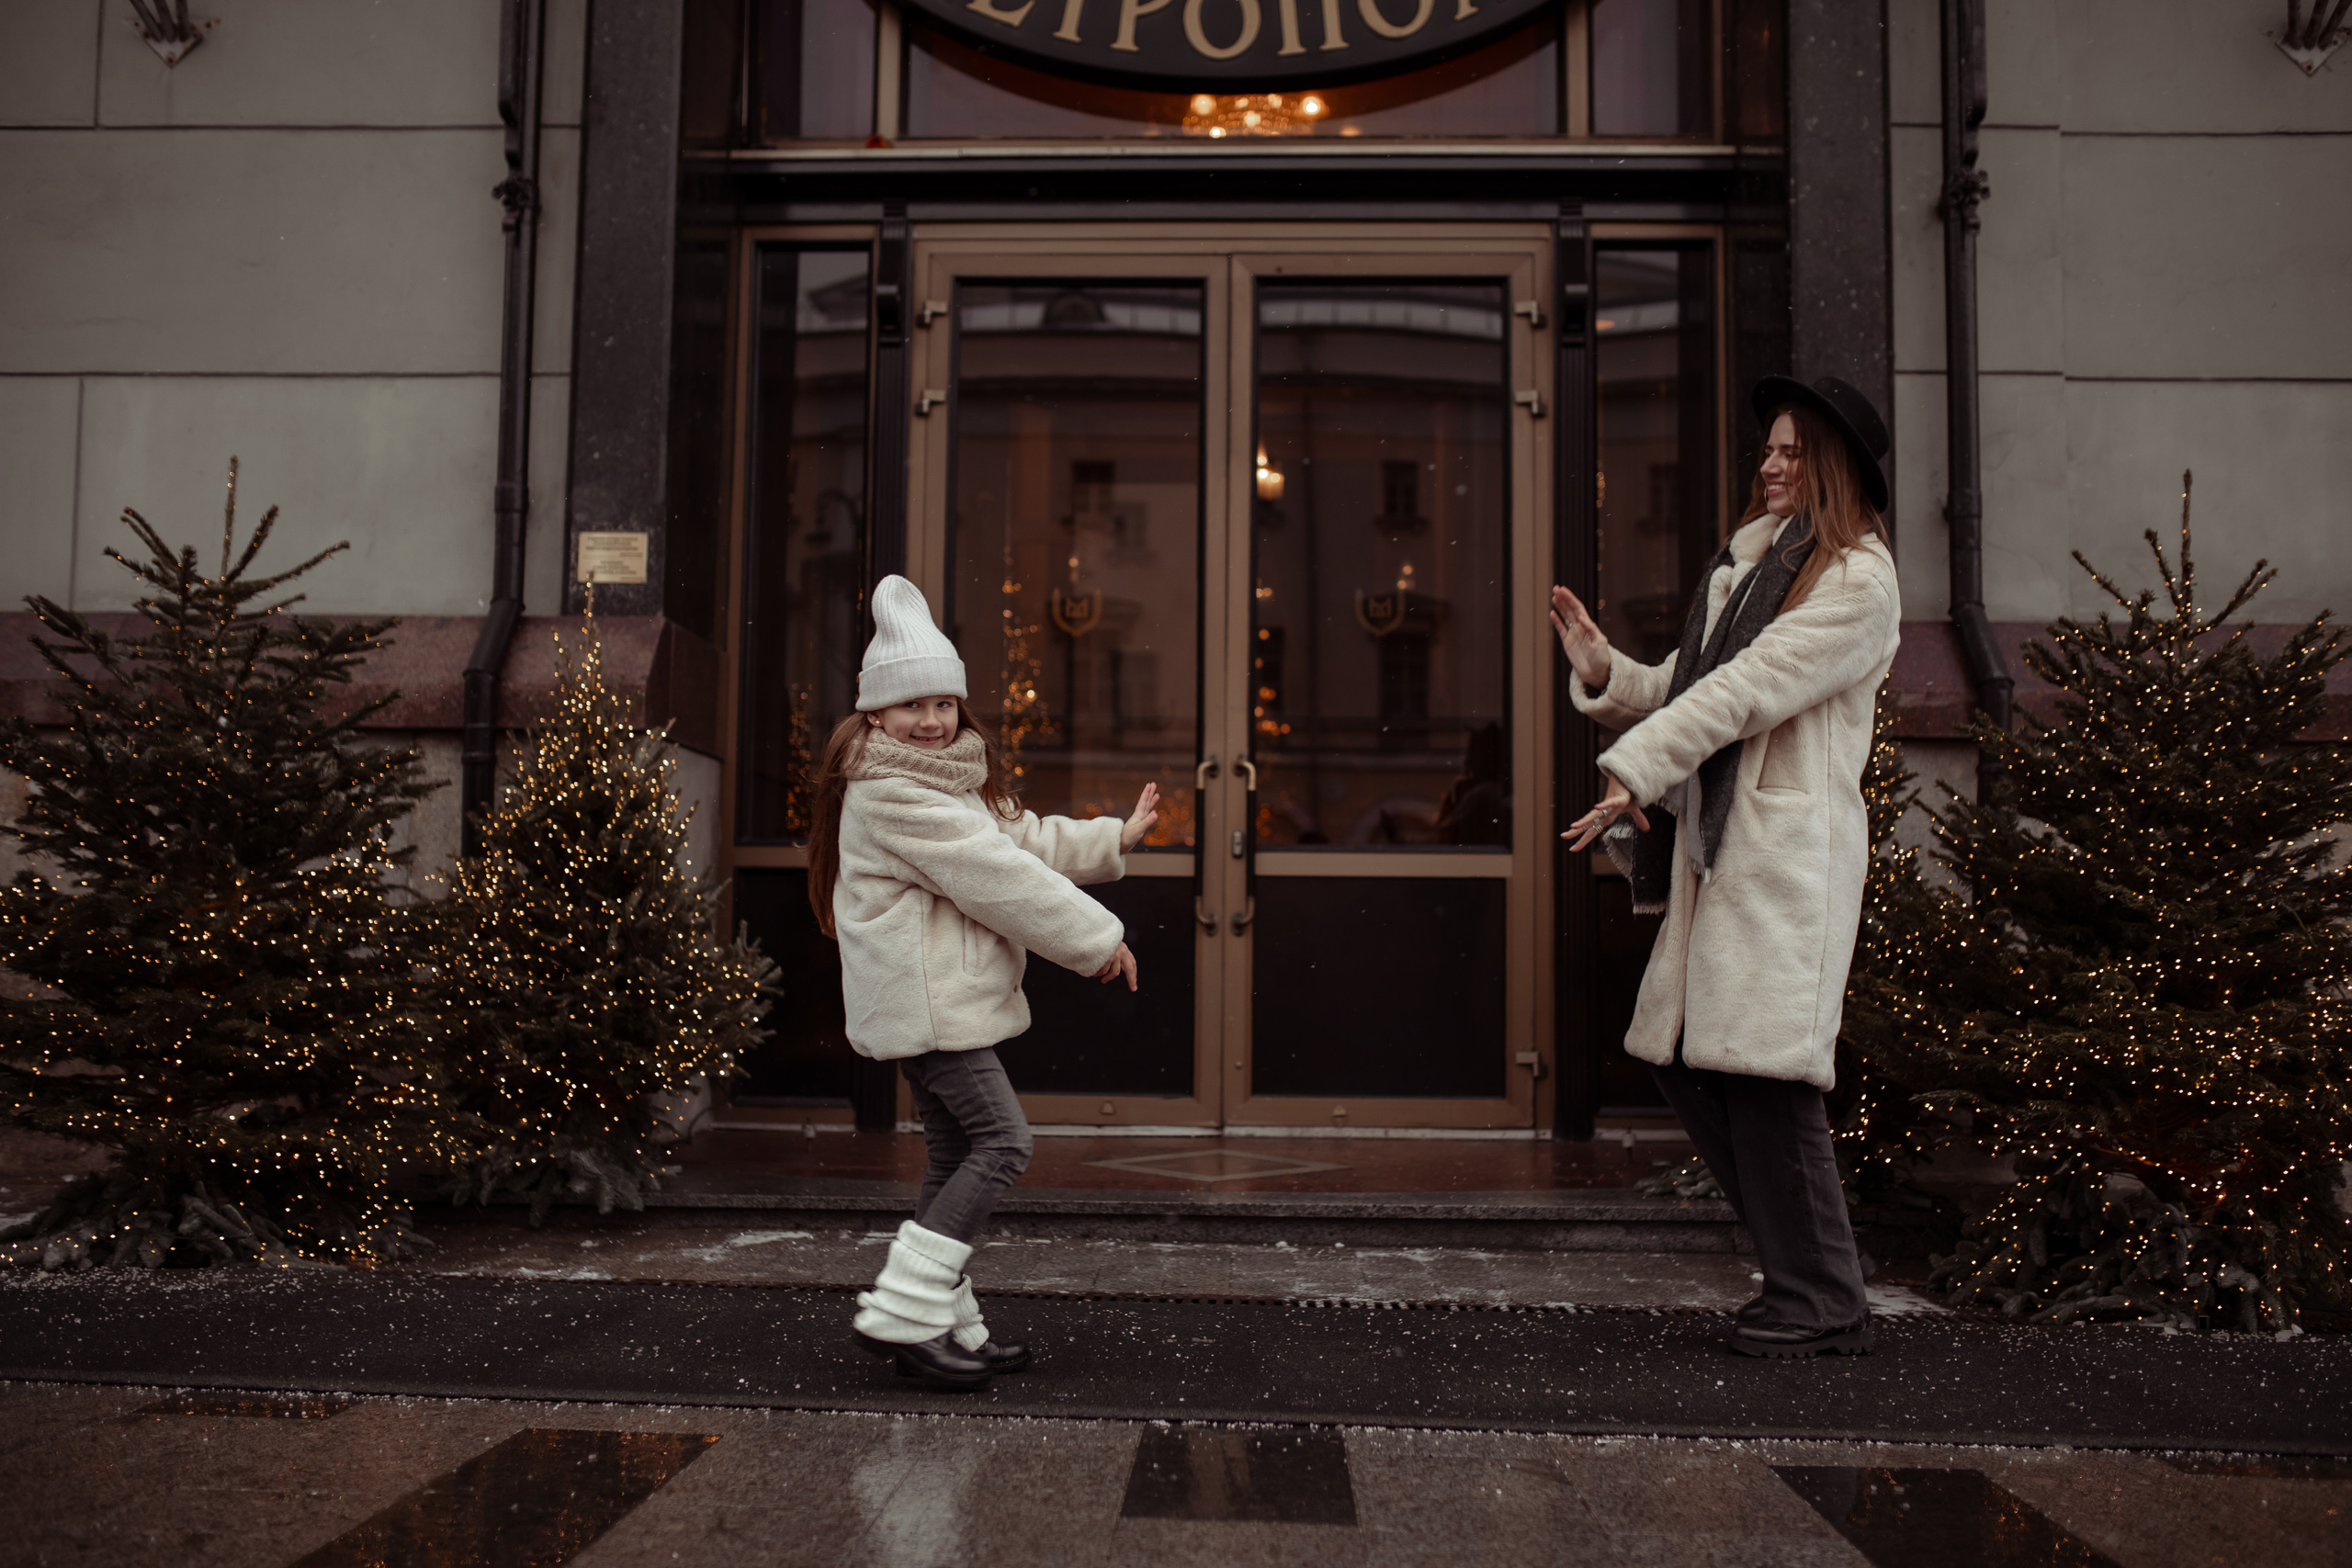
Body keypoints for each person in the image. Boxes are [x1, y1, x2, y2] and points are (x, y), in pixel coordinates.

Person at [1550, 376, 1902, 1358]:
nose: (1771, 464)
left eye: (1792, 451)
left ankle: (1820, 1295)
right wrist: (1606, 674)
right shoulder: (1752, 575)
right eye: (1768, 450)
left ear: (1833, 468)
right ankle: (1812, 1282)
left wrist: (1633, 770)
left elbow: (1748, 691)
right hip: (1727, 861)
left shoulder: (1857, 583)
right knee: (1692, 1067)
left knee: (1768, 1085)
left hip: (1784, 864)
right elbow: (1690, 687)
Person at [808, 575, 1159, 1388]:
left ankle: (937, 1321)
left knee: (955, 1150)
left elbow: (1015, 834)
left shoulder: (944, 779)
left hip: (937, 1002)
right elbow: (994, 872)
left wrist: (1114, 837)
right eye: (912, 707)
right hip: (929, 1007)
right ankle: (904, 1314)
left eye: (944, 704)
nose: (931, 721)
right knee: (1004, 1142)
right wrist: (1098, 939)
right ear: (876, 716)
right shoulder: (895, 790)